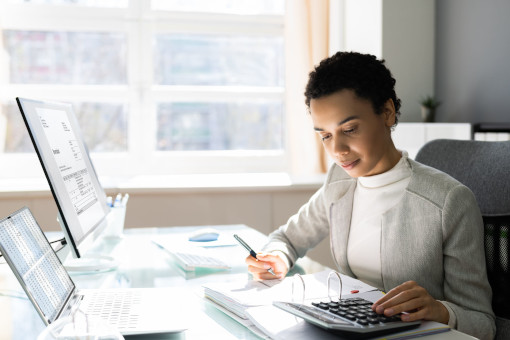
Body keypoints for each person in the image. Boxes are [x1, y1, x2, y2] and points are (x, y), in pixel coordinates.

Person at [245, 52, 495, 339]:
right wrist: (276, 258)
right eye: (325, 135)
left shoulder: (449, 201)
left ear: (387, 112)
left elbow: (484, 324)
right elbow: (287, 238)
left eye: (349, 129)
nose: (337, 150)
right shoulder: (339, 183)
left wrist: (440, 310)